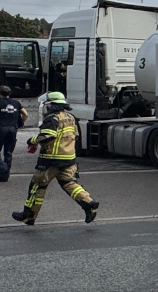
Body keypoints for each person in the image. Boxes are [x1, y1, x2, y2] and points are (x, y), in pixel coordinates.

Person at [12, 91, 99, 226]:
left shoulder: (52, 119)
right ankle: (89, 204)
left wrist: (32, 140)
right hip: (69, 159)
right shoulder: (71, 117)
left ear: (51, 106)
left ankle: (29, 215)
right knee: (69, 183)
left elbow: (48, 136)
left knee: (37, 186)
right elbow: (75, 137)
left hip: (50, 160)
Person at [0, 85, 27, 182]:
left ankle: (2, 168)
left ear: (0, 93)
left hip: (0, 130)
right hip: (12, 130)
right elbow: (25, 114)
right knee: (8, 152)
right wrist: (21, 123)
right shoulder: (16, 103)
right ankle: (4, 176)